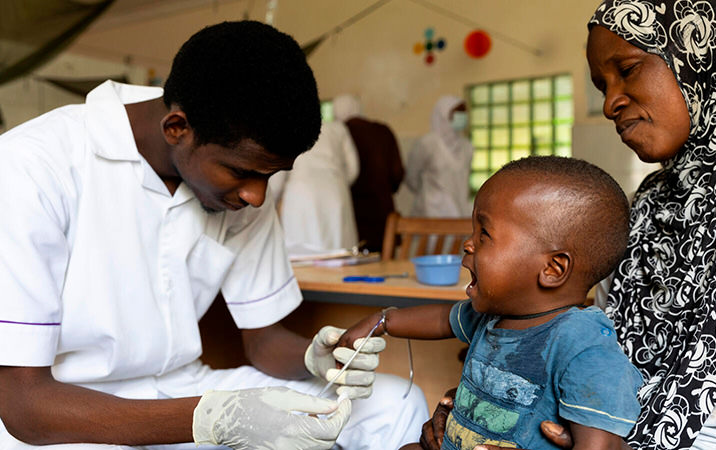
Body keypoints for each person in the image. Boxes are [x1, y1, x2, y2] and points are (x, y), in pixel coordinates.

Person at [0, 20, 428, 450]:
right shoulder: (32, 168)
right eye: (242, 172)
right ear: (177, 128)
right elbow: (23, 405)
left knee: (394, 404)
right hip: (65, 413)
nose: (257, 197)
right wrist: (212, 420)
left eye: (271, 176)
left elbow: (262, 340)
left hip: (181, 388)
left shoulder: (236, 189)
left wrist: (314, 359)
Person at [424, 1, 716, 449]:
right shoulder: (648, 205)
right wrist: (483, 414)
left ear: (700, 58)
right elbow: (591, 352)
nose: (610, 104)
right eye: (602, 85)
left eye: (628, 69)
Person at [339, 156, 643, 450]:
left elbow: (600, 446)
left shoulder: (585, 349)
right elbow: (443, 319)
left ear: (552, 269)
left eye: (484, 233)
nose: (467, 243)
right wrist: (383, 320)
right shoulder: (498, 315)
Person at [333, 94, 405, 252]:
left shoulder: (340, 133)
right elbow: (397, 173)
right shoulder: (383, 131)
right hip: (382, 213)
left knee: (355, 263)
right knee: (385, 260)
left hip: (353, 215)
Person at [276, 119, 360, 251]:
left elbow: (277, 176)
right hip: (335, 191)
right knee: (339, 250)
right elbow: (354, 169)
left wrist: (274, 200)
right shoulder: (338, 128)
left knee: (303, 253)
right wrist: (338, 181)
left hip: (301, 194)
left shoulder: (286, 128)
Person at [406, 95, 473, 218]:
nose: (462, 117)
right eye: (457, 112)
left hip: (461, 211)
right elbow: (412, 177)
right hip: (431, 212)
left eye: (463, 113)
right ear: (444, 115)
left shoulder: (467, 146)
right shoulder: (427, 143)